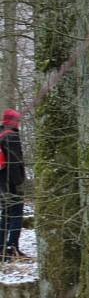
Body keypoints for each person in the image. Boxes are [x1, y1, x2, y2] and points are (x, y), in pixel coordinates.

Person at [1, 109, 26, 260]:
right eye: (17, 119)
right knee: (16, 213)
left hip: (1, 182)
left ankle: (1, 248)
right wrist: (18, 182)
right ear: (12, 120)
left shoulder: (1, 133)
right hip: (11, 182)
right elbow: (15, 162)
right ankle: (12, 247)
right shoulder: (12, 136)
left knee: (5, 214)